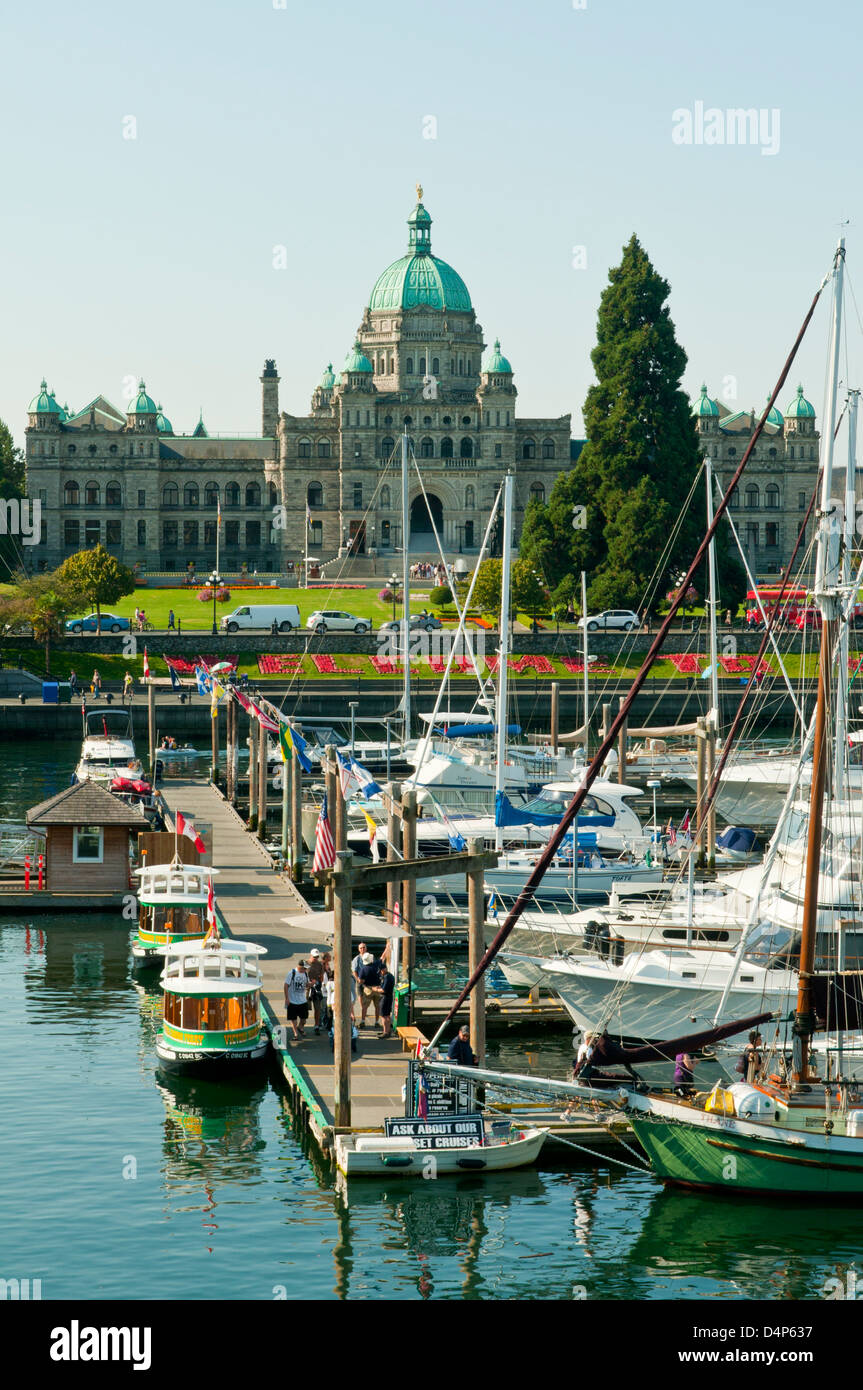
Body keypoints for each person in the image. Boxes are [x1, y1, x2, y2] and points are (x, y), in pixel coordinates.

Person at [284, 960, 310, 1040]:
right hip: (292, 1000)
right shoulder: (291, 973)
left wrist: (310, 984)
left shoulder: (305, 974)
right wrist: (287, 998)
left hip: (302, 1000)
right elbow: (286, 986)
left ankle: (300, 1027)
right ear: (300, 967)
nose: (306, 970)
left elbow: (306, 984)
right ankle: (295, 1033)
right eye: (304, 968)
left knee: (304, 1018)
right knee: (293, 1019)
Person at [357, 951, 383, 1028]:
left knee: (365, 1006)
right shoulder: (377, 964)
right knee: (377, 1006)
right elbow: (382, 957)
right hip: (378, 988)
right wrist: (387, 948)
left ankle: (363, 1021)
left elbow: (361, 981)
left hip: (368, 988)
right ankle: (377, 1022)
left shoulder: (363, 969)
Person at [307, 948, 324, 1034]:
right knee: (304, 1008)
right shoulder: (305, 963)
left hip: (316, 988)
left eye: (317, 957)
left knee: (317, 1008)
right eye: (314, 957)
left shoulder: (320, 965)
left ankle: (316, 1025)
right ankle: (301, 1025)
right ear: (311, 955)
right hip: (307, 989)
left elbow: (321, 976)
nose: (316, 958)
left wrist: (318, 982)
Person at [351, 941, 367, 1022]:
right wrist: (358, 979)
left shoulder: (370, 957)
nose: (362, 949)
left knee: (367, 997)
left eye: (364, 947)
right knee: (360, 996)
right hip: (359, 980)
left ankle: (364, 1009)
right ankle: (363, 1009)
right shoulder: (356, 959)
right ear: (358, 949)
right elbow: (354, 971)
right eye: (361, 948)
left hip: (368, 981)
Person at [379, 961, 395, 1038]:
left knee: (383, 1016)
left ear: (385, 969)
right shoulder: (391, 975)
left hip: (385, 998)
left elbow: (383, 990)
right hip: (389, 997)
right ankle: (388, 1031)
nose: (381, 972)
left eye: (381, 970)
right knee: (387, 1015)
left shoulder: (387, 977)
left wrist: (376, 989)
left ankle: (385, 1032)